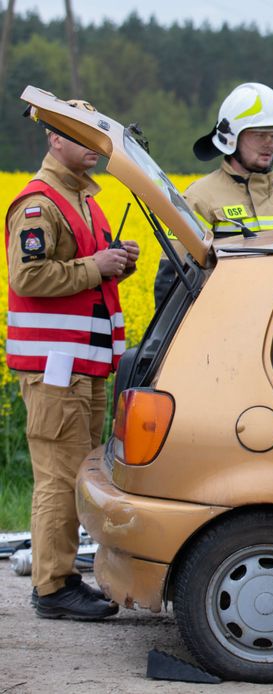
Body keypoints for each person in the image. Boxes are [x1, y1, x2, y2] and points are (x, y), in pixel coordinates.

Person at [5, 99, 139, 620]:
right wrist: (94, 265)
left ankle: (63, 579)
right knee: (59, 479)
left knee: (79, 475)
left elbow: (85, 275)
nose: (92, 144)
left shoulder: (86, 201)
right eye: (78, 134)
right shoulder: (38, 203)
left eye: (94, 135)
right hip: (55, 368)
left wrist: (115, 265)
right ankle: (53, 587)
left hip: (84, 365)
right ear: (53, 139)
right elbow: (28, 278)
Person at [154, 82, 273, 318]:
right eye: (260, 134)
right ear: (232, 138)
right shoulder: (201, 197)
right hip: (227, 329)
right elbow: (174, 276)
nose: (270, 143)